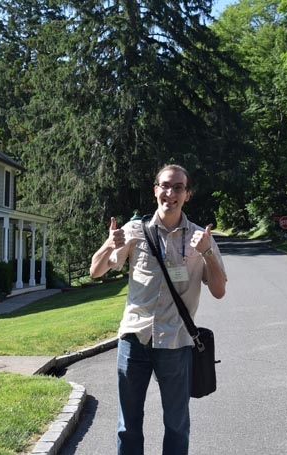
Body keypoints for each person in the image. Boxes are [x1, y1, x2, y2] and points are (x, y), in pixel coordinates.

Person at [90, 164, 227, 455]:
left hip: (176, 343)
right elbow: (95, 271)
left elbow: (218, 290)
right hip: (134, 341)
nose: (170, 193)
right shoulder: (133, 231)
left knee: (177, 424)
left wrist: (207, 254)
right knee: (128, 425)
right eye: (165, 185)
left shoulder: (201, 237)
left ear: (187, 195)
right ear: (155, 190)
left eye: (178, 187)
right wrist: (107, 245)